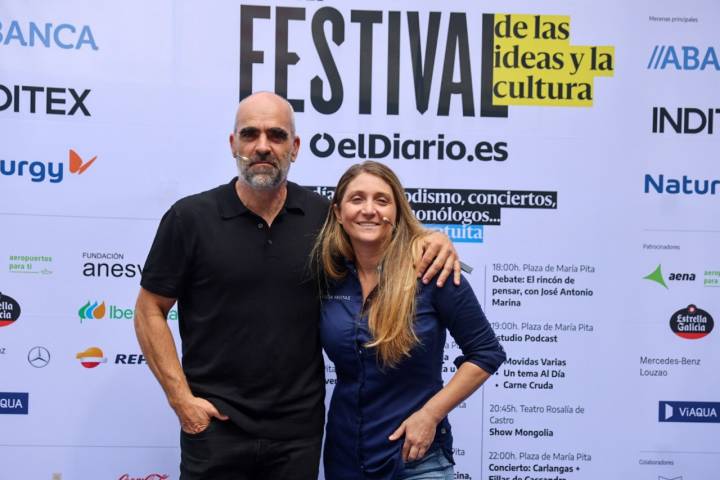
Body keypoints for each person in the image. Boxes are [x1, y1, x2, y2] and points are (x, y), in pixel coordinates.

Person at [133, 92, 460, 480]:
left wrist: (431, 238)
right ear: (233, 144)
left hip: (298, 434)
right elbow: (149, 309)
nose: (262, 147)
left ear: (295, 147)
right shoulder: (190, 218)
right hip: (215, 427)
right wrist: (181, 400)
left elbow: (381, 237)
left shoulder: (324, 219)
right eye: (250, 134)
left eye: (276, 135)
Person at [314, 161, 506, 480]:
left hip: (415, 458)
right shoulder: (327, 276)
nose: (369, 210)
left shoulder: (433, 272)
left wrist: (430, 414)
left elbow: (487, 352)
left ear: (398, 211)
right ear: (338, 212)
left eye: (382, 200)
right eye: (357, 199)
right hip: (345, 458)